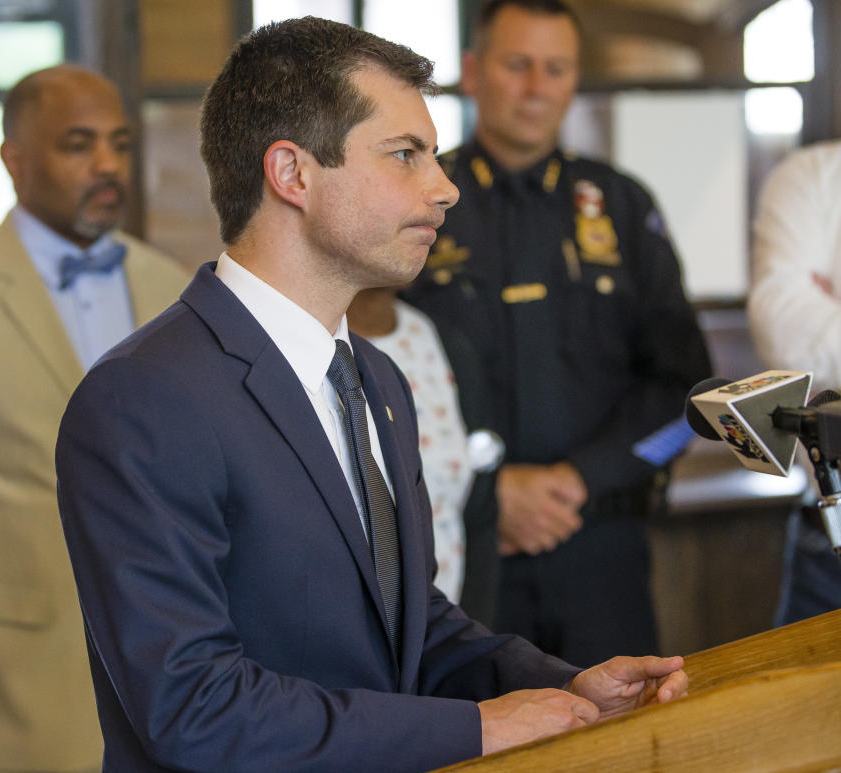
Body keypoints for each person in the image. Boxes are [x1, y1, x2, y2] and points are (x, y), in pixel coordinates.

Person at [55, 17, 688, 771]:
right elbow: (193, 709)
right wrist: (477, 729)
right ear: (291, 174)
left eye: (436, 157)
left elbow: (412, 627)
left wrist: (562, 686)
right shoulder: (142, 399)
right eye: (405, 156)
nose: (445, 187)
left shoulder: (379, 377)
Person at [0, 65, 188, 773]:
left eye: (118, 142)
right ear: (13, 161)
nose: (107, 164)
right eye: (77, 144)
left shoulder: (171, 289)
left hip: (152, 695)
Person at [404, 0, 712, 667]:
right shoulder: (419, 201)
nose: (537, 87)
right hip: (463, 548)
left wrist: (581, 478)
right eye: (518, 65)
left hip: (602, 544)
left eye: (556, 68)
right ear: (473, 71)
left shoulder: (621, 205)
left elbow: (688, 392)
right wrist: (489, 492)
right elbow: (374, 372)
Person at [748, 139, 841, 625]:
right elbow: (783, 328)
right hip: (831, 533)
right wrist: (802, 310)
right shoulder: (812, 176)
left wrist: (826, 311)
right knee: (804, 703)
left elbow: (808, 327)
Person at [347, 287, 472, 603]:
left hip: (441, 626)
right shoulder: (307, 339)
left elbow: (469, 509)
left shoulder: (427, 331)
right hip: (351, 635)